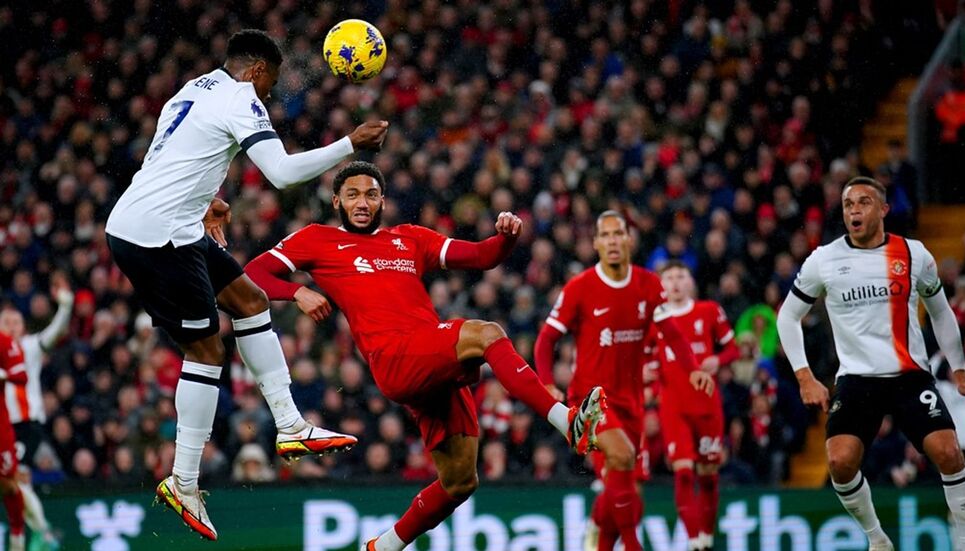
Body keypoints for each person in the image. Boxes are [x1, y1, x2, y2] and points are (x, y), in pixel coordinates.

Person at [103, 29, 387, 539]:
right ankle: (182, 482)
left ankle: (290, 425)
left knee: (251, 300)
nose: (268, 96)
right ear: (256, 70)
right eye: (270, 85)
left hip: (172, 222)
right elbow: (280, 174)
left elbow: (168, 156)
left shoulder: (194, 87)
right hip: (157, 237)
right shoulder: (241, 99)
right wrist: (350, 144)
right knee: (207, 352)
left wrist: (207, 198)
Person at [244, 161, 607, 551]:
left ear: (382, 200)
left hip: (431, 362)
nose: (362, 202)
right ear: (337, 201)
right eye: (352, 195)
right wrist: (296, 292)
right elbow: (253, 272)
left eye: (370, 194)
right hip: (394, 356)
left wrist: (506, 237)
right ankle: (567, 421)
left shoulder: (410, 239)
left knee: (460, 481)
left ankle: (383, 546)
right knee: (487, 333)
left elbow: (483, 257)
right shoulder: (317, 239)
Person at [776, 176, 965, 551]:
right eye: (848, 204)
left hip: (909, 376)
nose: (854, 210)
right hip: (857, 379)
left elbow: (941, 312)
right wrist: (804, 376)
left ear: (883, 209)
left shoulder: (914, 254)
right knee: (839, 463)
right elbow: (787, 317)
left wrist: (960, 370)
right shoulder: (824, 260)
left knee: (949, 452)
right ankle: (877, 539)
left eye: (863, 202)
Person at [534, 213, 714, 551]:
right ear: (597, 243)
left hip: (630, 401)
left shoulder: (648, 284)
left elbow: (670, 332)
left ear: (629, 240)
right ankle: (633, 545)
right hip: (591, 400)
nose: (614, 240)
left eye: (619, 234)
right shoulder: (580, 288)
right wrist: (546, 383)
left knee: (629, 487)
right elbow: (545, 341)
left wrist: (692, 368)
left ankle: (598, 534)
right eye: (606, 235)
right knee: (621, 456)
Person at [655, 260, 737, 551]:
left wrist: (720, 359)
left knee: (708, 475)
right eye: (669, 278)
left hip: (706, 404)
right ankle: (693, 541)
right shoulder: (656, 319)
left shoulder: (709, 311)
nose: (675, 282)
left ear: (690, 281)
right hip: (673, 407)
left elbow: (733, 347)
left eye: (681, 276)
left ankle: (706, 537)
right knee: (684, 471)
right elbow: (648, 359)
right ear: (661, 285)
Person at [0, 276, 73, 549]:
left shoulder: (28, 347)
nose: (11, 327)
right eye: (6, 323)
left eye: (15, 322)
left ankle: (41, 533)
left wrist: (65, 307)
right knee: (17, 484)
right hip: (4, 425)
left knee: (15, 479)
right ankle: (39, 533)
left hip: (23, 425)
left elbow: (54, 334)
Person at [0, 331, 27, 551]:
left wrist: (3, 374)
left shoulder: (4, 341)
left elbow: (21, 376)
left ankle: (17, 535)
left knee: (7, 485)